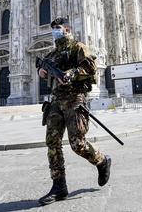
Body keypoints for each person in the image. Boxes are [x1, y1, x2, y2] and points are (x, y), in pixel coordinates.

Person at [37, 17, 111, 206]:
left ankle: (102, 161)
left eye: (58, 28)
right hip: (55, 102)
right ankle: (59, 186)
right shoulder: (52, 54)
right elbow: (41, 66)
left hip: (74, 100)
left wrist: (71, 74)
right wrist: (42, 71)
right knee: (52, 143)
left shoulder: (78, 47)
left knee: (77, 143)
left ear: (67, 29)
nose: (55, 31)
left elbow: (91, 67)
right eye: (53, 28)